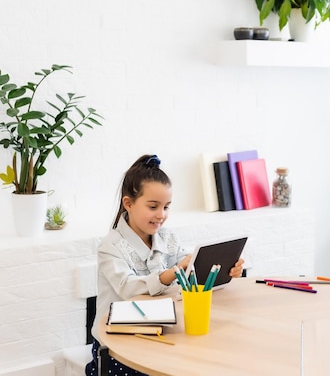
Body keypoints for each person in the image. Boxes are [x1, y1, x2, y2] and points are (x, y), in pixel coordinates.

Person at [86, 154, 245, 376]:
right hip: (117, 345)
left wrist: (224, 269)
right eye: (153, 206)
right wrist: (170, 274)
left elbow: (187, 270)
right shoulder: (110, 247)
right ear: (128, 204)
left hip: (157, 334)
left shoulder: (167, 238)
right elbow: (128, 288)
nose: (161, 215)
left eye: (167, 207)